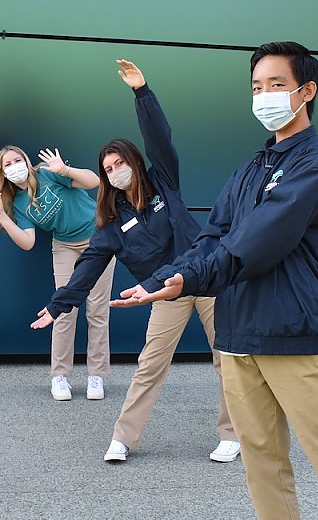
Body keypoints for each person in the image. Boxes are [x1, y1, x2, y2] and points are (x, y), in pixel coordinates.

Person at [113, 42, 318, 520]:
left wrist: (189, 278)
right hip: (239, 336)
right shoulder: (251, 167)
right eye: (256, 87)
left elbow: (255, 243)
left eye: (276, 85)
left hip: (294, 337)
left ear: (306, 91)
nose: (264, 96)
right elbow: (211, 236)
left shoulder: (317, 163)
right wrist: (164, 278)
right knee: (263, 467)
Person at [30, 60, 239, 464]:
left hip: (210, 276)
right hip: (167, 292)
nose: (115, 172)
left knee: (227, 362)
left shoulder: (164, 182)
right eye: (108, 170)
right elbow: (88, 266)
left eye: (120, 163)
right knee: (149, 367)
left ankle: (232, 434)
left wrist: (142, 92)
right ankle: (123, 438)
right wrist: (59, 304)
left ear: (133, 162)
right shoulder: (111, 223)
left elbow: (160, 138)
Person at [0, 140, 113, 401]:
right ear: (2, 172)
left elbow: (94, 181)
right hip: (64, 246)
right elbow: (28, 242)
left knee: (98, 309)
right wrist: (3, 218)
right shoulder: (16, 203)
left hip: (98, 239)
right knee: (63, 310)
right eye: (8, 164)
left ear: (26, 162)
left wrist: (65, 170)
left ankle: (96, 376)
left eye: (17, 160)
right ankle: (60, 377)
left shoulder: (48, 173)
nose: (14, 166)